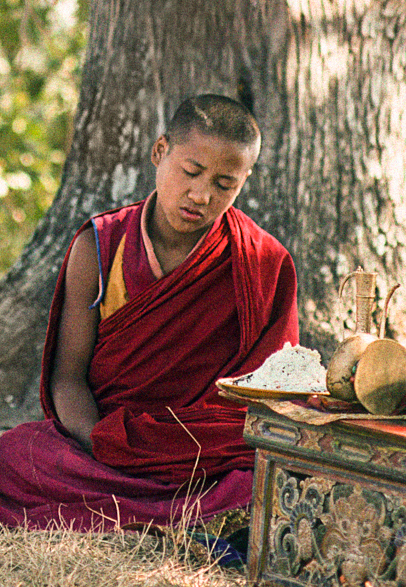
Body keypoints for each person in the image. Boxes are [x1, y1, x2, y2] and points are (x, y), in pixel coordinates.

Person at [0, 94, 299, 531]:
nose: (201, 194)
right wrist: (105, 446)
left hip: (203, 456)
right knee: (15, 456)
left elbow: (274, 398)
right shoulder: (100, 246)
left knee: (265, 481)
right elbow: (67, 379)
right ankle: (179, 512)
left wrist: (174, 455)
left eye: (224, 184)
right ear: (160, 152)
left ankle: (179, 507)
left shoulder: (263, 262)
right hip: (106, 443)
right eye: (191, 172)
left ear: (245, 180)